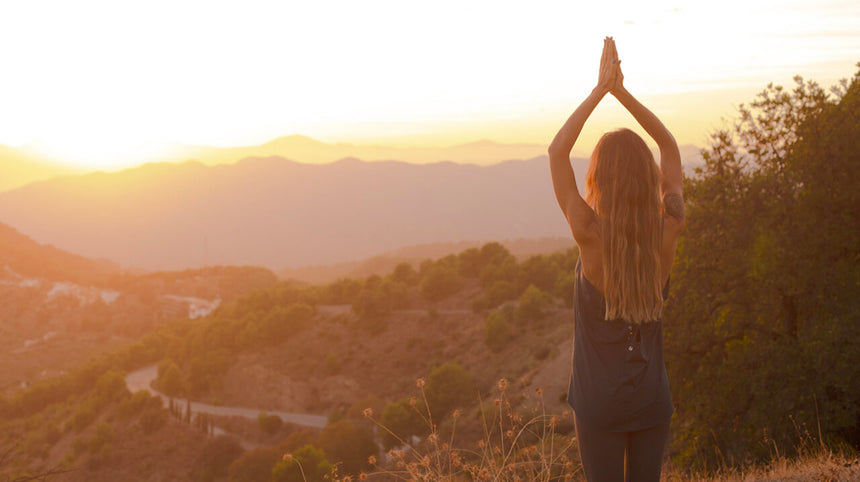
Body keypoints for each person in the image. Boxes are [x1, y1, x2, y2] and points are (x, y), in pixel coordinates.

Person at [548, 37, 685, 482]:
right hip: (651, 400)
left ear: (599, 178)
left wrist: (600, 90)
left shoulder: (588, 233)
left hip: (598, 404)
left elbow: (556, 153)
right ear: (647, 176)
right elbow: (668, 145)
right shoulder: (669, 226)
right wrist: (623, 93)